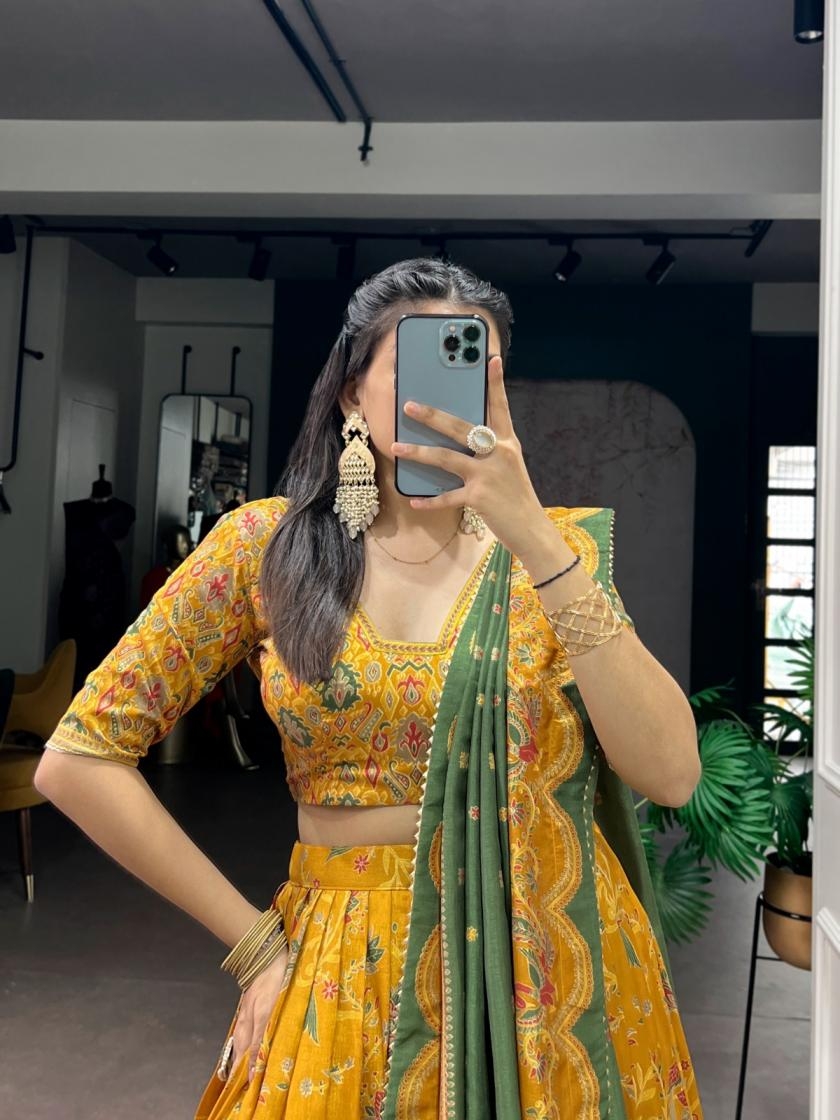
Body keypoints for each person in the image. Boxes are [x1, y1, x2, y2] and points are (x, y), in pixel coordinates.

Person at [35, 258, 704, 1120]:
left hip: (548, 971)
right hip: (350, 966)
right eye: (423, 366)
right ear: (352, 391)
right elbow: (78, 760)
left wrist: (533, 536)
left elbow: (671, 775)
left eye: (478, 372)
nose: (448, 397)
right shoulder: (267, 550)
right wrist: (253, 946)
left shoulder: (554, 556)